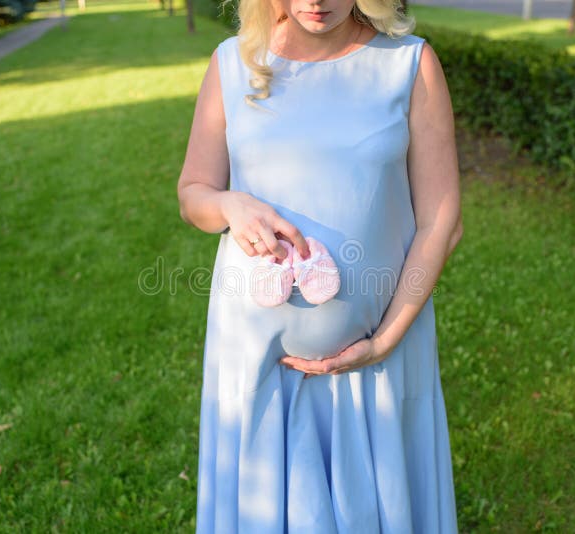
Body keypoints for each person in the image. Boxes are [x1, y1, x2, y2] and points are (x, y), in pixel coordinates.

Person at [176, 0, 464, 529]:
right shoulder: (233, 63)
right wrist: (228, 206)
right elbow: (193, 192)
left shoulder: (409, 65)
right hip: (256, 356)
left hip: (378, 356)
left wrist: (385, 339)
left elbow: (441, 223)